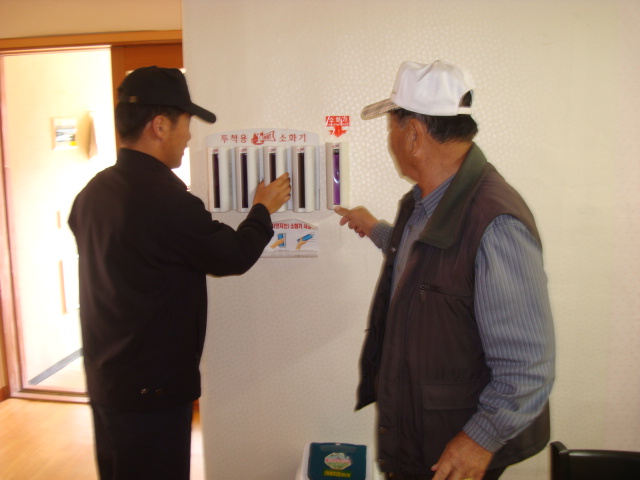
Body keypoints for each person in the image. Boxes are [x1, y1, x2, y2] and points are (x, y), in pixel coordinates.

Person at [68, 66, 291, 480]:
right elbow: (233, 256)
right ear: (159, 126)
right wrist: (262, 210)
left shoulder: (92, 193)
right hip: (151, 393)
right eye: (186, 123)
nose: (189, 136)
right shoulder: (166, 201)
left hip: (107, 382)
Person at [336, 61, 555, 480]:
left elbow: (528, 366)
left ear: (414, 135)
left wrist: (480, 439)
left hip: (452, 450)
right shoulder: (425, 203)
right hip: (421, 435)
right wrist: (378, 230)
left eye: (392, 127)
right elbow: (433, 262)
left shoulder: (495, 224)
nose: (391, 139)